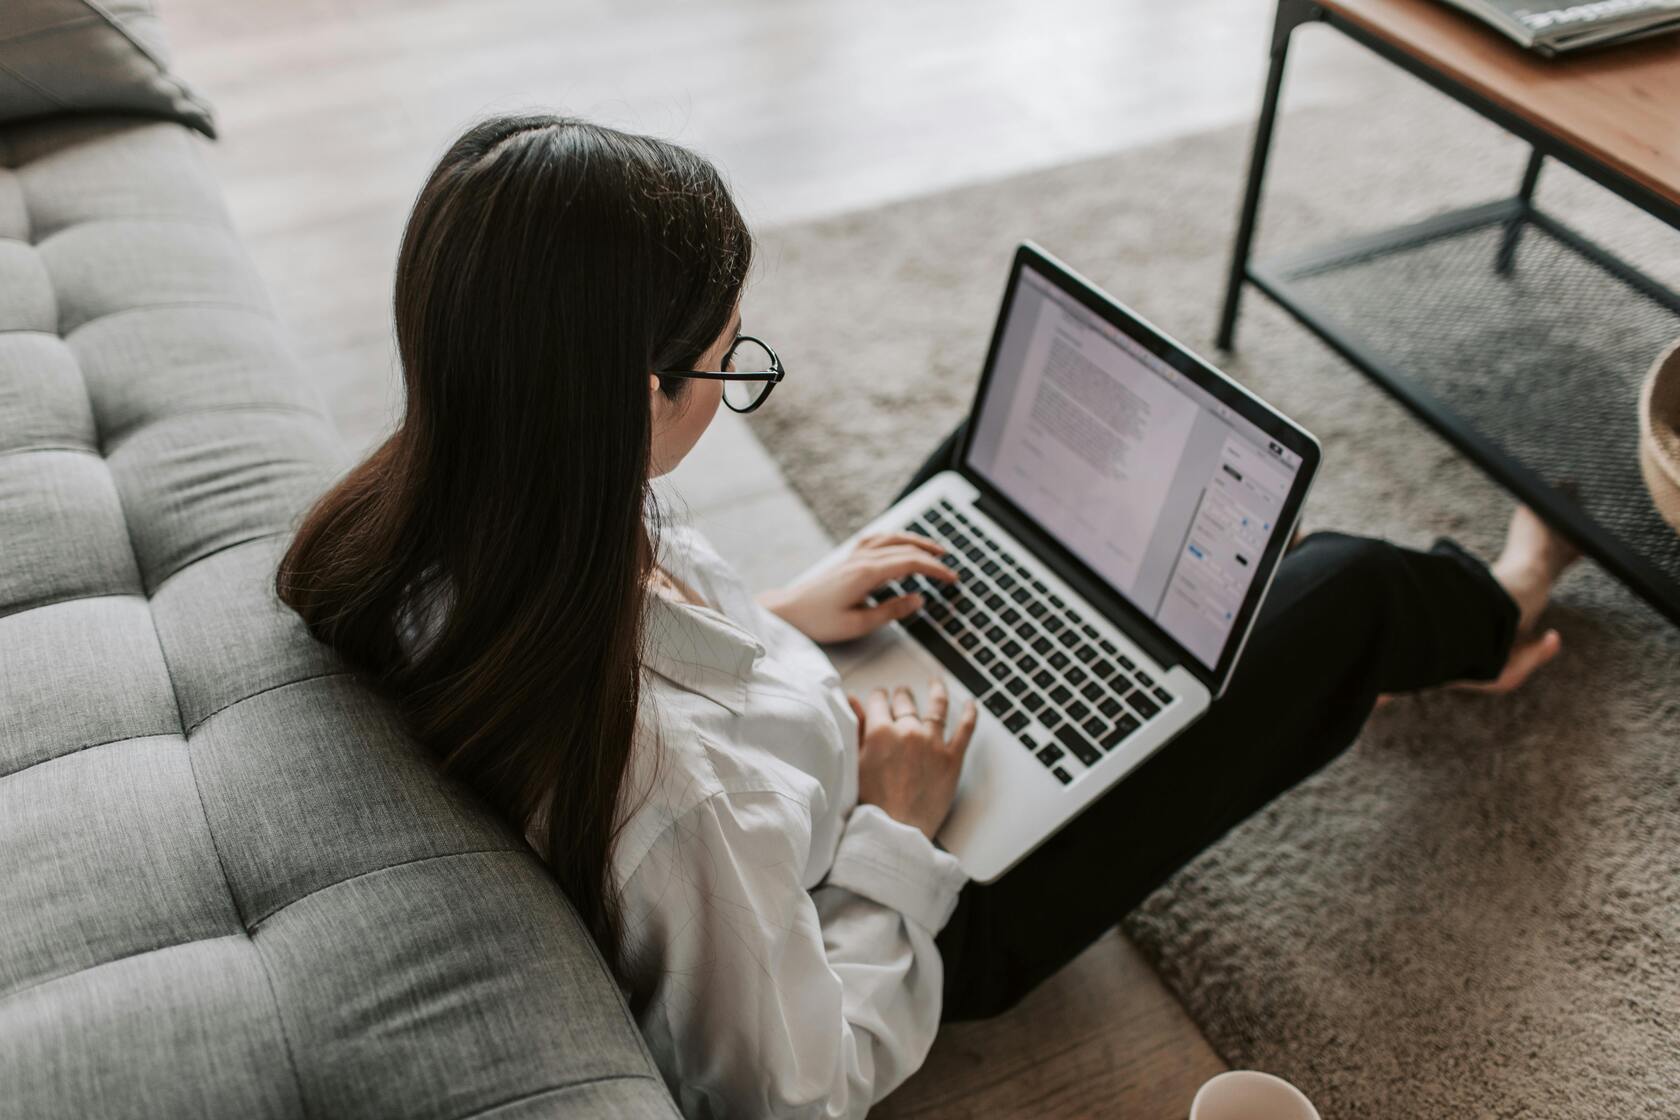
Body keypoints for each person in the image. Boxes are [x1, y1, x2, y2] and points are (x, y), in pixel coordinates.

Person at [276, 114, 1579, 1119]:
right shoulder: (671, 800)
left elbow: (650, 662)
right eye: (730, 363)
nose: (740, 375)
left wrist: (777, 619)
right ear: (630, 393)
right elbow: (798, 1089)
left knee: (991, 480)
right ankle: (1496, 615)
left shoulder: (460, 508)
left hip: (810, 740)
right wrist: (897, 833)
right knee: (1343, 591)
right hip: (922, 903)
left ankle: (1202, 587)